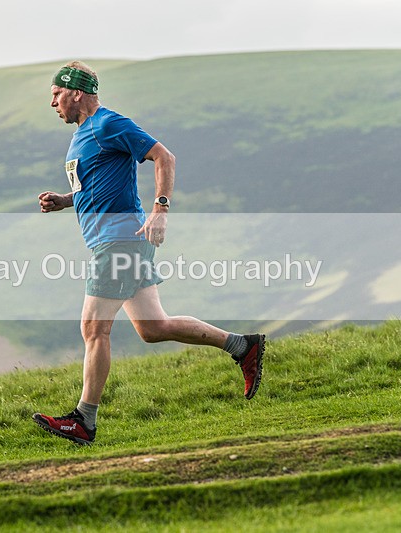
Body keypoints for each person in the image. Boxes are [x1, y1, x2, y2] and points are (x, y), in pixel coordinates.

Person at [32, 61, 264, 445]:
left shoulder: (109, 123)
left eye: (56, 94)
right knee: (153, 328)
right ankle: (243, 346)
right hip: (117, 240)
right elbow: (99, 185)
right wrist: (66, 200)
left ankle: (83, 421)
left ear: (75, 92)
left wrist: (160, 209)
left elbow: (164, 157)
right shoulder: (81, 135)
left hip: (120, 240)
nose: (52, 103)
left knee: (94, 328)